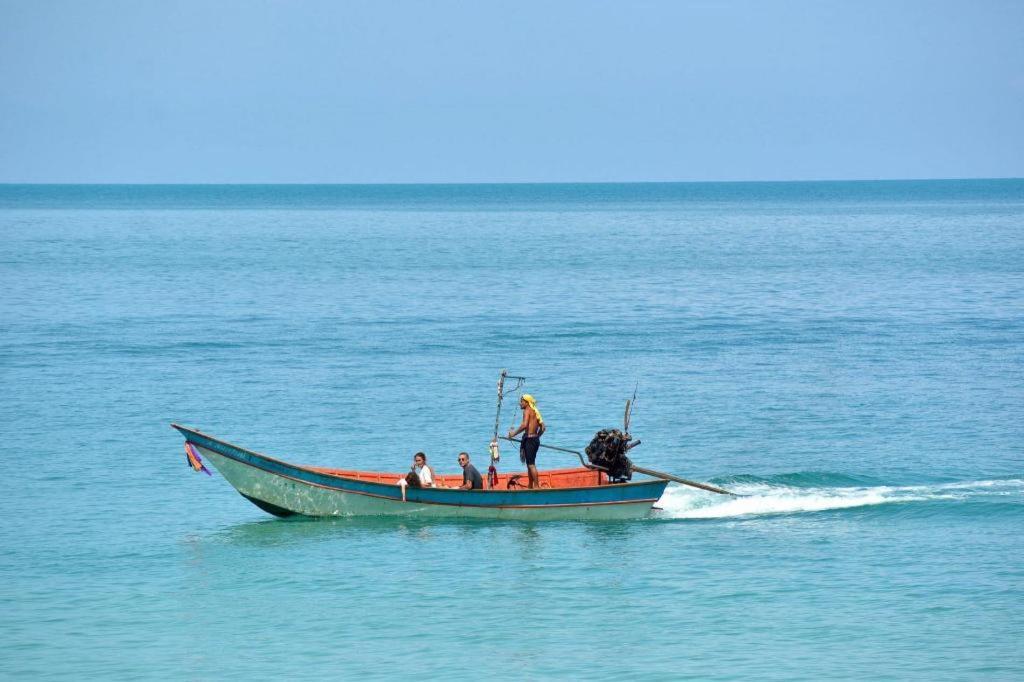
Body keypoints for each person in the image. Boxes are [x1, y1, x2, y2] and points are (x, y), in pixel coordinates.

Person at [508, 393, 544, 489]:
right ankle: (530, 485)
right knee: (529, 463)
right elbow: (543, 428)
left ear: (527, 402)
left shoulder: (527, 411)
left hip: (530, 440)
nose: (520, 403)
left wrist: (513, 434)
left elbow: (524, 425)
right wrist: (537, 436)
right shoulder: (535, 411)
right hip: (534, 439)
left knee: (531, 464)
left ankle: (536, 486)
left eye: (521, 401)